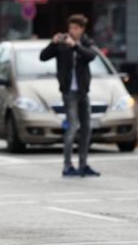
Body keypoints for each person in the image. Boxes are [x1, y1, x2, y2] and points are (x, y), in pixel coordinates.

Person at [39, 14, 100, 178]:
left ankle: (83, 164)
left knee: (86, 128)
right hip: (69, 92)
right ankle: (67, 165)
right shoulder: (62, 45)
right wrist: (53, 43)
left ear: (82, 29)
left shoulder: (86, 43)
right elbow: (43, 56)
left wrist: (76, 46)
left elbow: (91, 56)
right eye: (70, 28)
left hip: (83, 91)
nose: (71, 31)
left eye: (75, 28)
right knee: (72, 127)